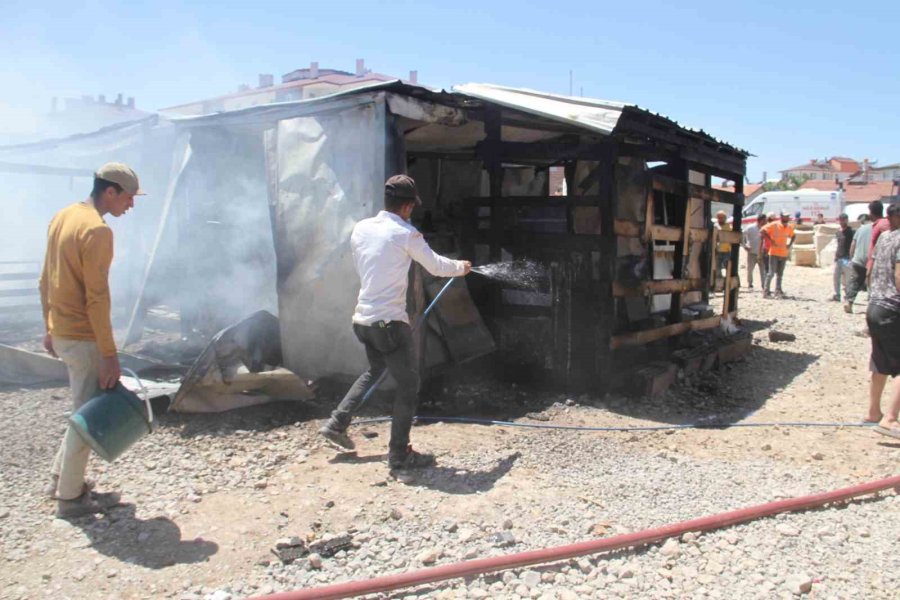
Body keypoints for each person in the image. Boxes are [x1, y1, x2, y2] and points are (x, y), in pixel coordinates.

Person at [318, 175, 471, 472]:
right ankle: (399, 454)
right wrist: (461, 268)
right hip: (389, 324)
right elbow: (436, 266)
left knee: (376, 370)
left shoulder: (361, 229)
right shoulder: (406, 233)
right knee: (409, 384)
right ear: (408, 206)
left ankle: (337, 422)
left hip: (363, 320)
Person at [39, 163, 143, 518]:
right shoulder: (97, 231)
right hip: (83, 337)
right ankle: (70, 500)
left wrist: (49, 326)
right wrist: (109, 354)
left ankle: (61, 480)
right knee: (89, 418)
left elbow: (44, 279)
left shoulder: (64, 216)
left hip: (63, 330)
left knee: (81, 410)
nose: (130, 205)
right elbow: (97, 298)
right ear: (110, 191)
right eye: (128, 197)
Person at [865, 204, 900, 436]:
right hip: (893, 307)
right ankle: (890, 419)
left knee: (880, 361)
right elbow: (899, 274)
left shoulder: (884, 237)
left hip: (875, 306)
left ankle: (873, 412)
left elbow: (871, 271)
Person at [845, 211, 875, 313]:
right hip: (871, 260)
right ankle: (871, 306)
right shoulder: (877, 228)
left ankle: (849, 302)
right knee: (872, 283)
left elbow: (853, 244)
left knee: (855, 282)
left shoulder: (860, 230)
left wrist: (851, 257)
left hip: (858, 260)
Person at [761, 211, 795, 298]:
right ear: (781, 217)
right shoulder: (774, 225)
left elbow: (793, 235)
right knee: (771, 273)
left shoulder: (789, 227)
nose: (786, 218)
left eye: (787, 216)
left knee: (780, 274)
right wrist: (770, 240)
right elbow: (762, 230)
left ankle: (778, 290)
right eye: (785, 216)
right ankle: (766, 291)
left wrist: (789, 244)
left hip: (783, 253)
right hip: (774, 253)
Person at [830, 213, 853, 302]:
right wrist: (836, 256)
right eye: (840, 219)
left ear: (847, 220)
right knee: (836, 278)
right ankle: (837, 295)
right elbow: (838, 245)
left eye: (844, 219)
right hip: (839, 258)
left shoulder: (850, 232)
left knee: (847, 280)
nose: (842, 221)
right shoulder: (838, 232)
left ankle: (847, 296)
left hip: (847, 258)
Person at [741, 214, 767, 288]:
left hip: (762, 253)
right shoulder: (750, 227)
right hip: (752, 252)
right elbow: (742, 235)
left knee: (763, 270)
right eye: (764, 220)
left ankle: (764, 285)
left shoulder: (766, 228)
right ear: (760, 220)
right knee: (750, 269)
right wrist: (744, 245)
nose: (766, 222)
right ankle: (750, 283)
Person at [867, 200, 890, 274]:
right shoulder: (878, 224)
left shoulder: (883, 224)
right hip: (874, 265)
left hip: (880, 267)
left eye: (869, 211)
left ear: (871, 213)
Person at [713, 210, 732, 290]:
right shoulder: (715, 226)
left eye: (722, 217)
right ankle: (719, 286)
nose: (720, 219)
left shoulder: (729, 227)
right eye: (719, 217)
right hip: (717, 251)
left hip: (727, 251)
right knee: (717, 269)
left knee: (728, 269)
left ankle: (728, 285)